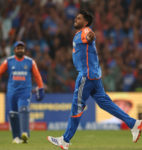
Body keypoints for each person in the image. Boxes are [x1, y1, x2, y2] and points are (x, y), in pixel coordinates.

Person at [47, 10, 142, 150]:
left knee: (77, 106)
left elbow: (90, 36)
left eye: (79, 18)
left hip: (86, 75)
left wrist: (91, 36)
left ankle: (65, 140)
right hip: (94, 76)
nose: (75, 19)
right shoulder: (79, 33)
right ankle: (134, 124)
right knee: (105, 103)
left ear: (85, 22)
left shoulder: (85, 31)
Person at [0, 41, 45, 144]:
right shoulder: (8, 61)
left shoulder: (30, 62)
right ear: (14, 50)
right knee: (13, 114)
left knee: (24, 109)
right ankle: (16, 137)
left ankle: (24, 133)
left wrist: (41, 88)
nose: (20, 50)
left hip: (24, 91)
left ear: (24, 50)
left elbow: (37, 75)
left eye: (22, 48)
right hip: (12, 92)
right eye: (18, 48)